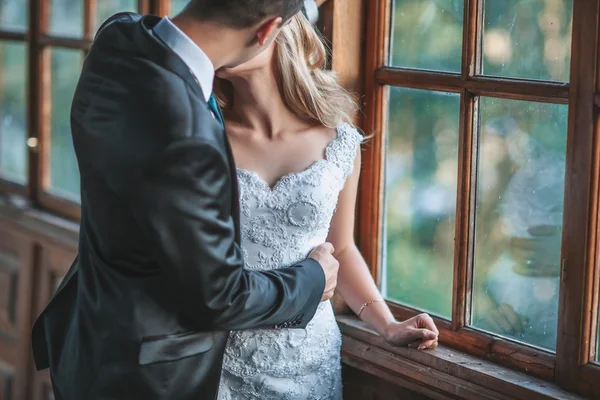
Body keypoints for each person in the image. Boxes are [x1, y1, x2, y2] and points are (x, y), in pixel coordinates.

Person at [30, 1, 340, 399]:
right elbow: (220, 297)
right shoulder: (191, 138)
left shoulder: (117, 38)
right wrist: (313, 279)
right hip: (147, 378)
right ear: (266, 32)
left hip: (90, 344)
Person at [213, 13, 440, 400]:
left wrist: (387, 324)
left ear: (275, 29)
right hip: (220, 362)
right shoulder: (204, 138)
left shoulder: (339, 142)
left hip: (310, 363)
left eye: (233, 21)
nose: (218, 35)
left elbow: (342, 248)